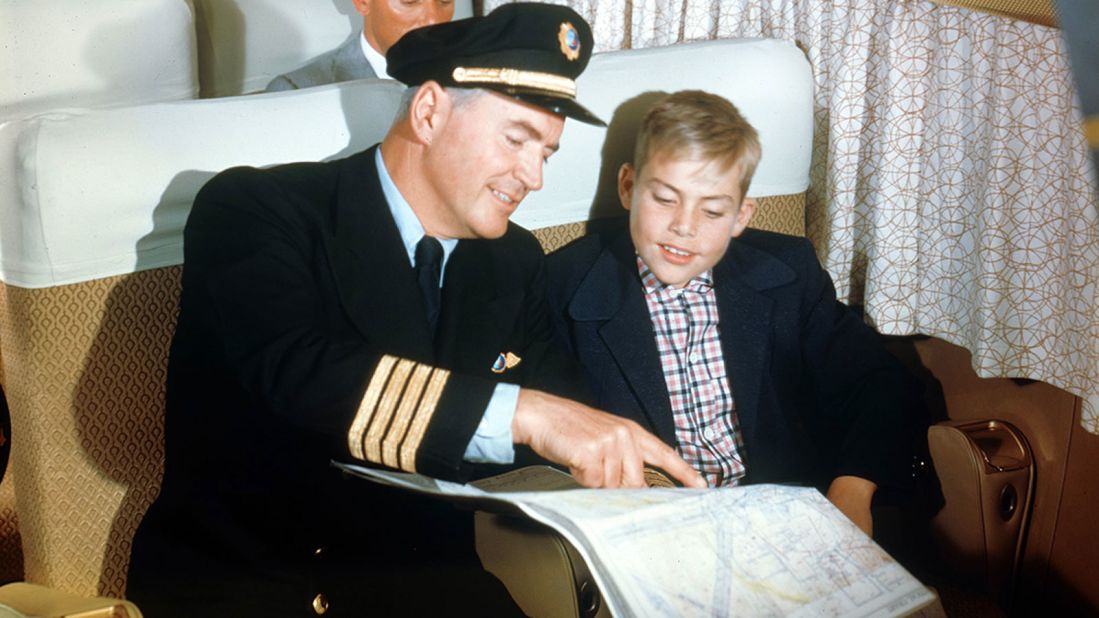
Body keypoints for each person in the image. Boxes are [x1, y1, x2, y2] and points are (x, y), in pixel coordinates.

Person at [127, 5, 703, 617]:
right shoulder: (257, 211)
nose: (532, 176)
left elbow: (559, 423)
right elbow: (300, 375)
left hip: (431, 587)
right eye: (516, 140)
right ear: (428, 112)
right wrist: (526, 414)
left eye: (547, 153)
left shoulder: (513, 262)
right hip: (246, 590)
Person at [547, 90, 922, 536]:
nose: (684, 226)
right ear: (628, 187)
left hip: (786, 515)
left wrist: (853, 489)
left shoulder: (786, 272)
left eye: (712, 210)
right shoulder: (562, 287)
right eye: (665, 199)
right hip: (656, 529)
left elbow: (878, 382)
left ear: (741, 216)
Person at [265, 0, 454, 91]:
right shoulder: (296, 91)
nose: (433, 20)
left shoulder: (471, 77)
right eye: (409, 1)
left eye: (445, 0)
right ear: (363, 2)